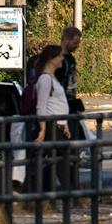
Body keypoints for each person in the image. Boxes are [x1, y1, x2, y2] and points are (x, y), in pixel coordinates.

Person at [29, 43, 72, 190]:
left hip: (58, 126)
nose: (62, 59)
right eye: (59, 56)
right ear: (51, 59)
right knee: (57, 161)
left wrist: (64, 122)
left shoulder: (51, 78)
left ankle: (49, 195)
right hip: (50, 127)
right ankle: (68, 194)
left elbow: (57, 103)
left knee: (55, 162)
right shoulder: (45, 79)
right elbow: (41, 106)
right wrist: (42, 129)